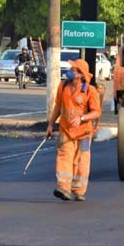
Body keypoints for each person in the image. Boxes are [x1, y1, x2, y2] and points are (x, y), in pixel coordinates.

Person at [45, 59, 102, 202]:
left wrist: (81, 118)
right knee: (64, 157)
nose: (70, 71)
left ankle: (78, 190)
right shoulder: (63, 86)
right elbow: (58, 107)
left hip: (84, 133)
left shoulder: (90, 91)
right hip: (65, 130)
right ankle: (63, 187)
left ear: (80, 75)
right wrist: (51, 125)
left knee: (81, 161)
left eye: (74, 69)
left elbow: (96, 112)